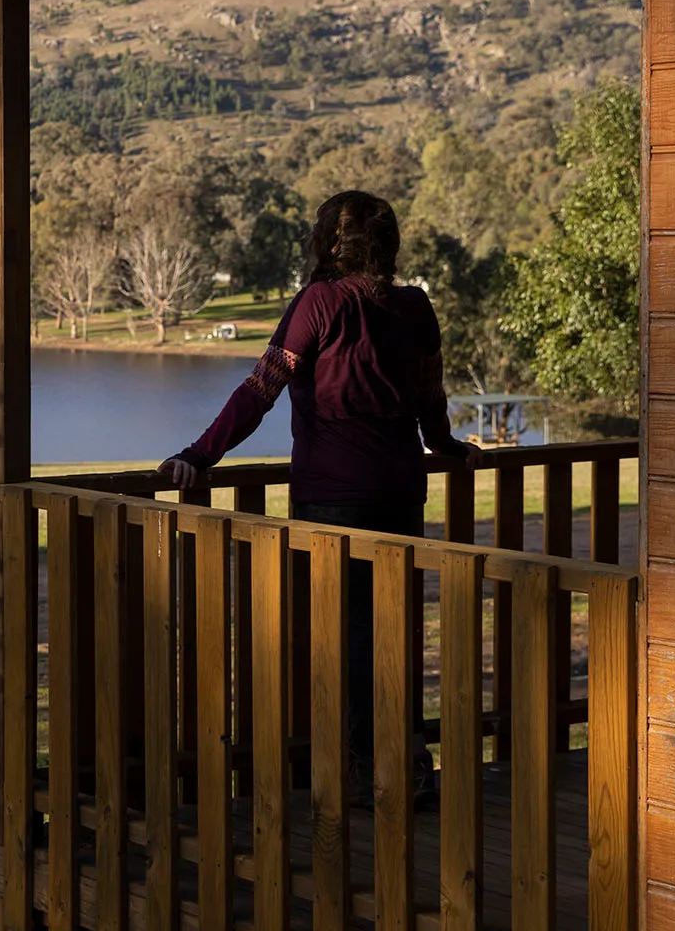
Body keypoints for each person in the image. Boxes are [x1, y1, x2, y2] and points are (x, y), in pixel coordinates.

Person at [158, 191, 475, 803]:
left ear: (329, 241)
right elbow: (430, 399)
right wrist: (447, 446)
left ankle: (361, 773)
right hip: (402, 495)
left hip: (332, 501)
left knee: (343, 639)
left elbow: (260, 390)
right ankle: (404, 764)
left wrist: (199, 455)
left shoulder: (319, 303)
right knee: (392, 634)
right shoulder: (415, 306)